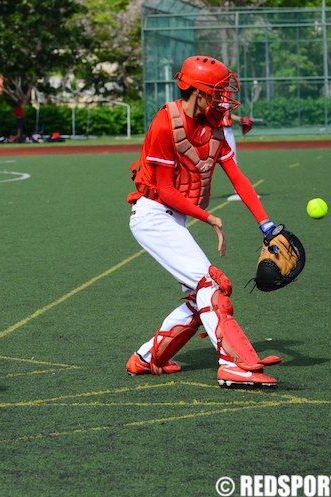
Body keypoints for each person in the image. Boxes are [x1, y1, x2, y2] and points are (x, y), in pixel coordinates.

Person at [125, 55, 282, 388]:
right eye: (218, 90)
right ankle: (233, 364)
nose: (224, 97)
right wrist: (209, 217)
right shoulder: (166, 122)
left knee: (201, 299)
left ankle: (147, 358)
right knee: (212, 287)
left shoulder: (213, 126)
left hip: (174, 218)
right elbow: (165, 189)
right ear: (198, 91)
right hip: (152, 216)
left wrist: (266, 225)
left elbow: (237, 177)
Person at [222, 103, 254, 202]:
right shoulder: (214, 90)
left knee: (232, 160)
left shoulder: (226, 93)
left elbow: (226, 113)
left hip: (228, 130)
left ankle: (239, 190)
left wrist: (240, 119)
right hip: (216, 129)